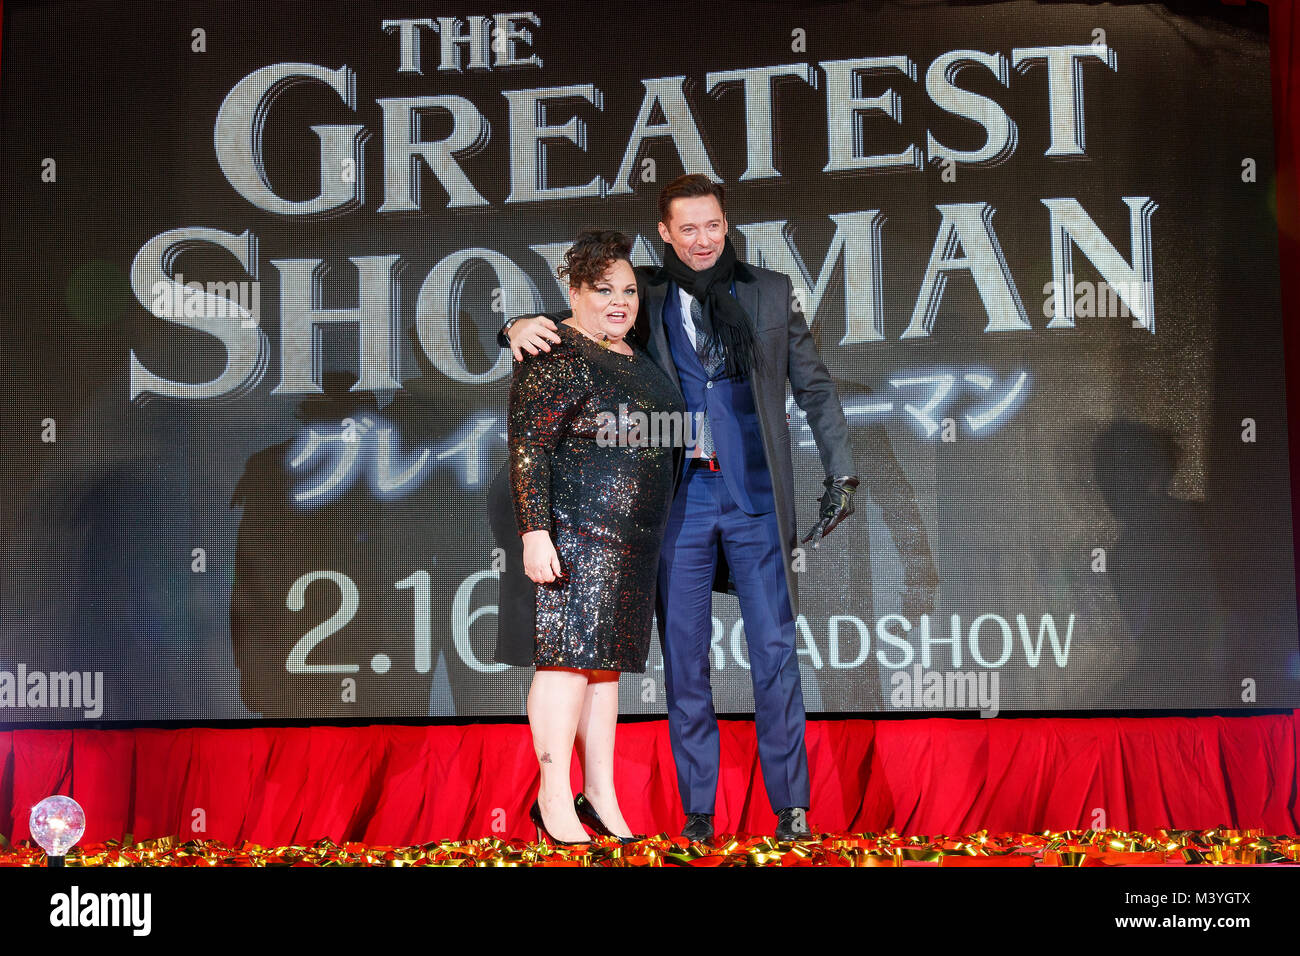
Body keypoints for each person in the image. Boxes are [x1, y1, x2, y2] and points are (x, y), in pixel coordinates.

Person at [500, 175, 859, 843]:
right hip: (678, 503)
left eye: (713, 225)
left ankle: (793, 809)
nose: (702, 239)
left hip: (754, 498)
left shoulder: (772, 292)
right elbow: (580, 308)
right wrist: (515, 324)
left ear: (727, 225)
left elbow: (815, 388)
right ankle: (699, 814)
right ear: (664, 233)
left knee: (775, 654)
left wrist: (842, 468)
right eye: (687, 228)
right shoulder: (643, 291)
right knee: (685, 660)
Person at [487, 229, 685, 845]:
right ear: (574, 293)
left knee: (603, 671)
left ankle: (598, 796)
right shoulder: (555, 351)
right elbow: (529, 448)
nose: (620, 301)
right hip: (570, 528)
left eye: (628, 290)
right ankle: (552, 800)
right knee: (566, 663)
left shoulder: (636, 353)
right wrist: (534, 533)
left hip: (628, 540)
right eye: (604, 290)